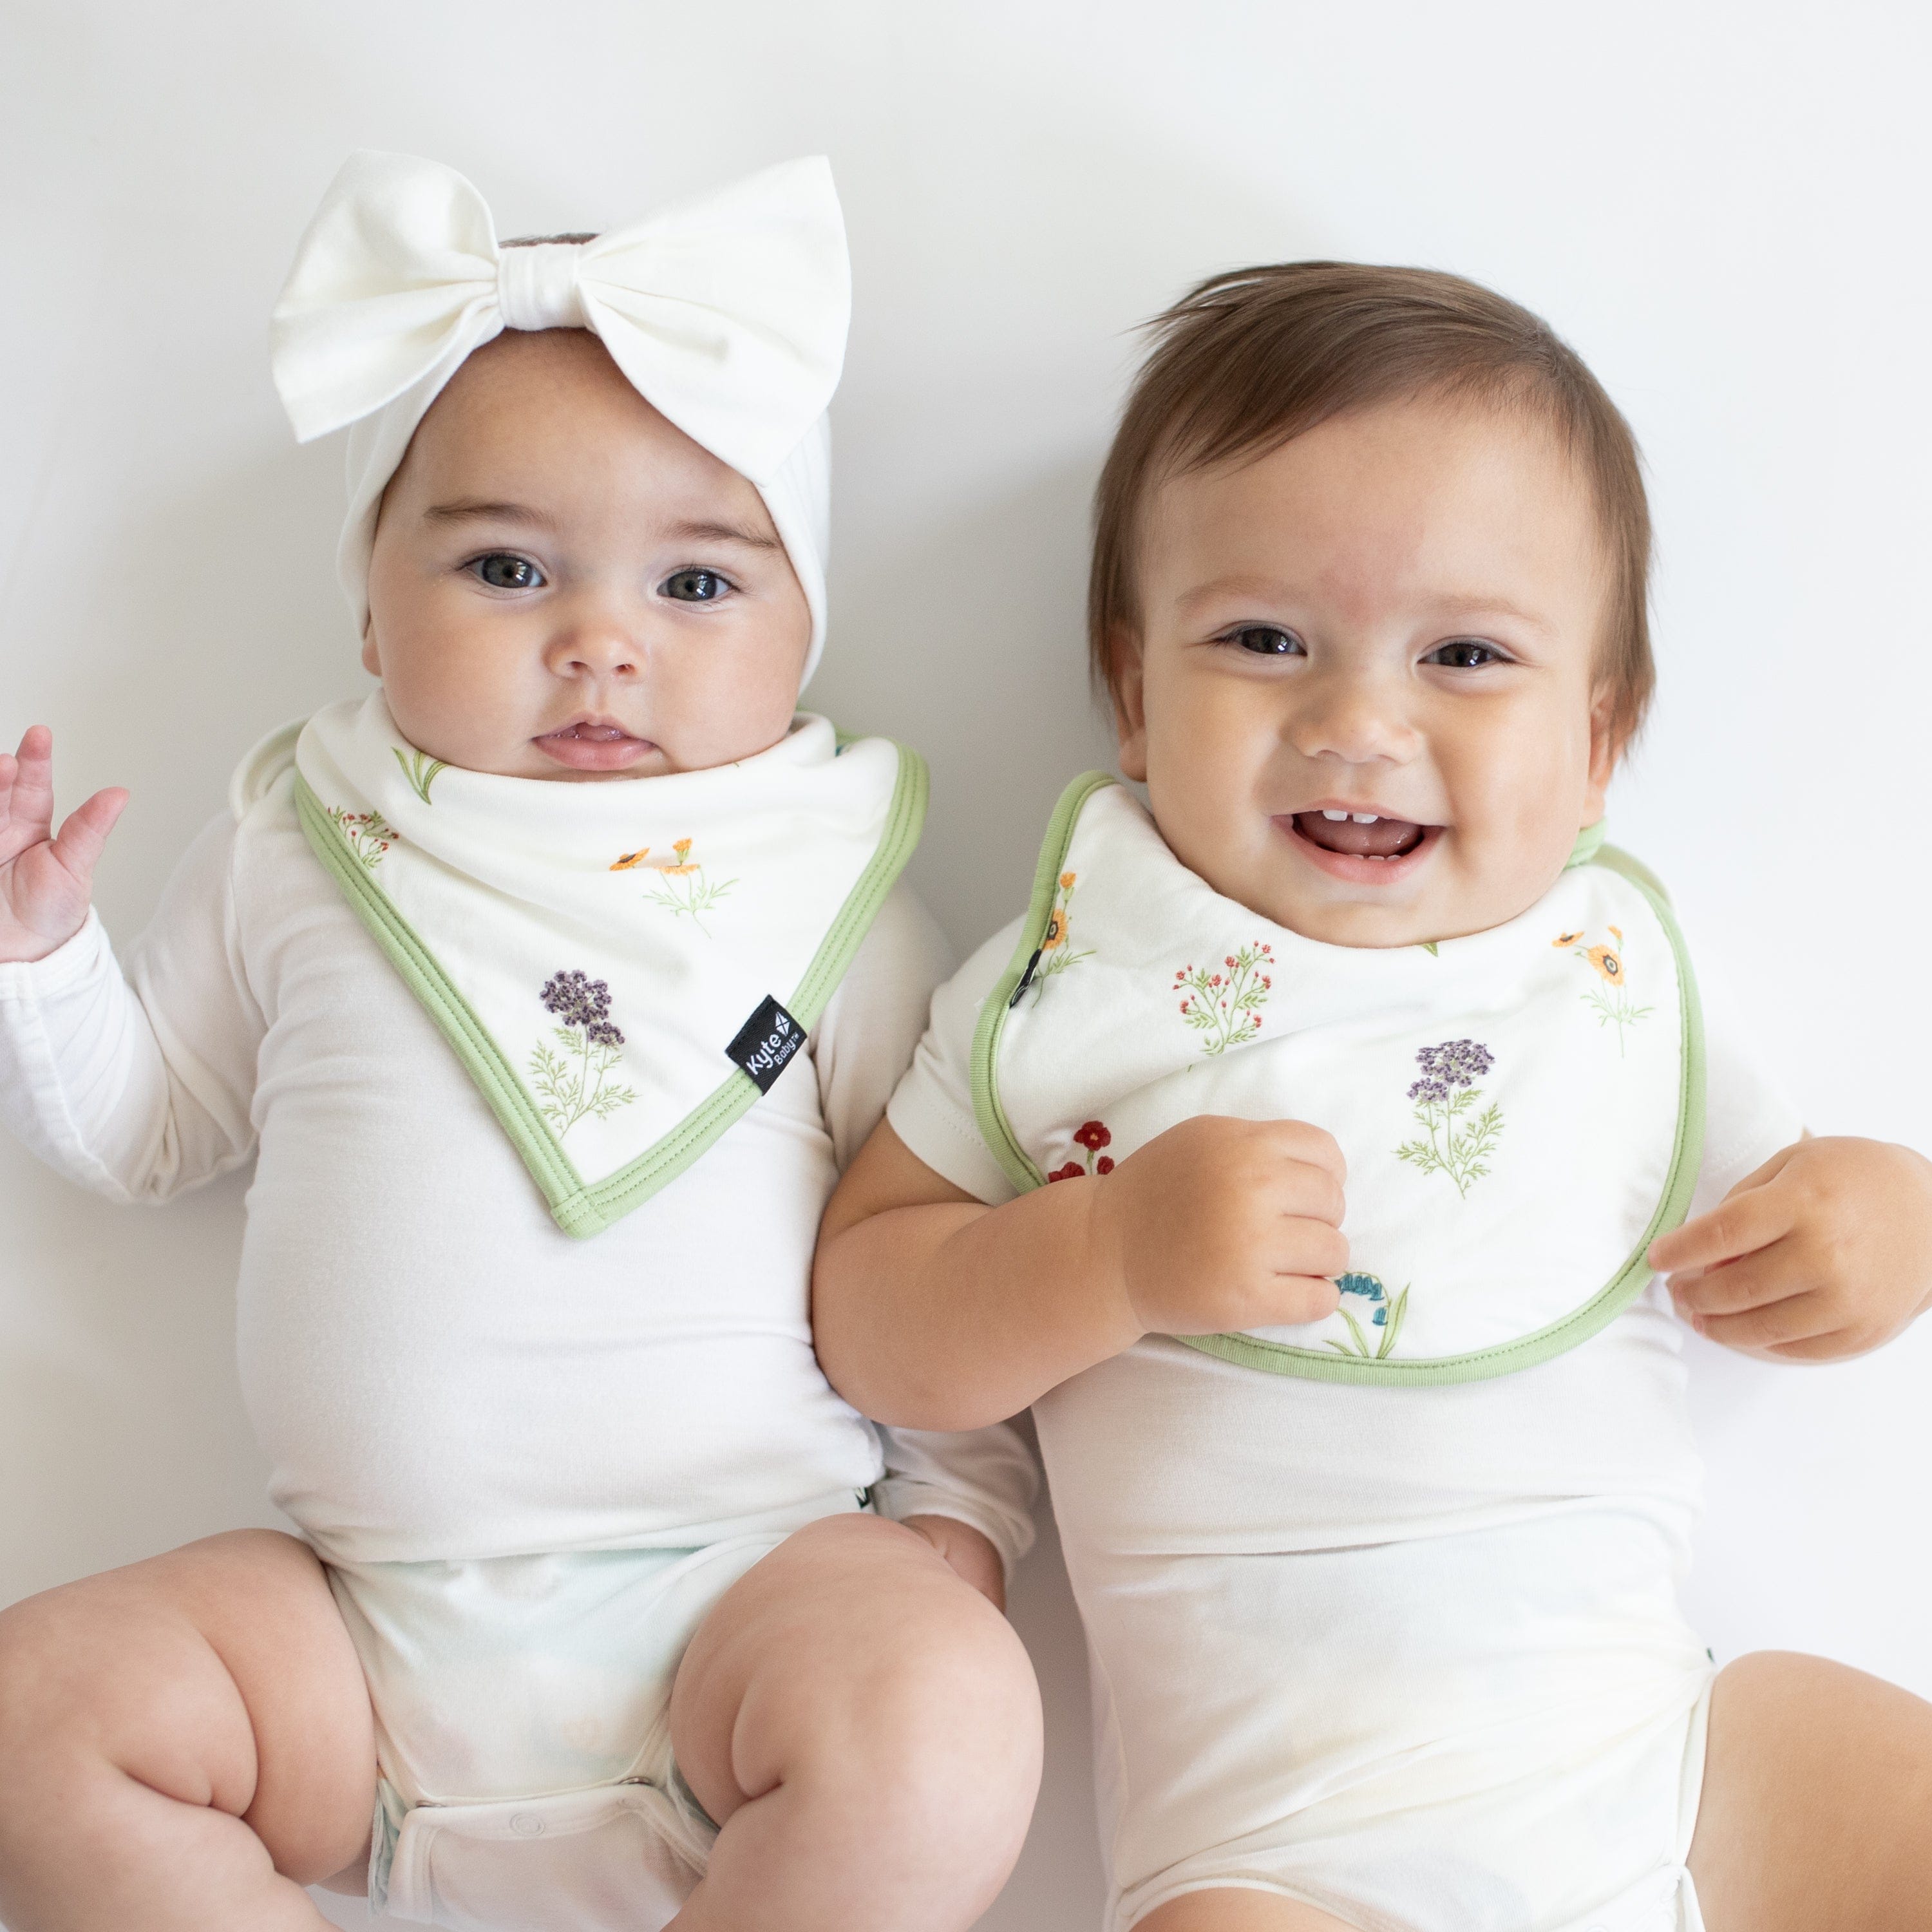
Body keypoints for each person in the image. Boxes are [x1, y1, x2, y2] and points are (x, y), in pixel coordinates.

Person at [813, 262, 1932, 1932]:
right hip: (1284, 1850)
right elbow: (869, 1318)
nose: (1356, 722)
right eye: (1264, 640)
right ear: (1136, 695)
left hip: (1667, 1766)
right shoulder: (1080, 983)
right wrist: (1107, 1255)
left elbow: (1788, 1210)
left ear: (1598, 739)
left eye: (1465, 654)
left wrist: (1887, 1228)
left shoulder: (1601, 979)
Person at [0, 152, 1039, 1932]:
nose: (598, 645)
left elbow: (932, 1234)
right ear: (366, 605)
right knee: (36, 1717)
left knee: (946, 1719)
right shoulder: (304, 843)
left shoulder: (834, 899)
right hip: (356, 1646)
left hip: (747, 1607)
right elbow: (150, 1129)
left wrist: (962, 1522)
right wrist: (42, 959)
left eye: (696, 586)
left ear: (807, 625)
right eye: (504, 567)